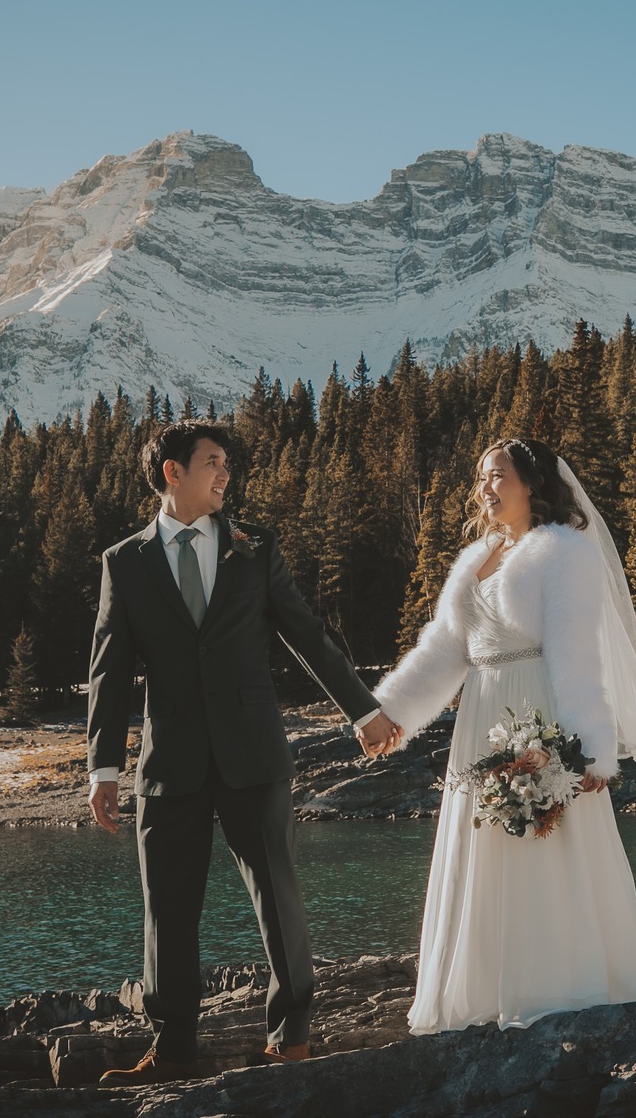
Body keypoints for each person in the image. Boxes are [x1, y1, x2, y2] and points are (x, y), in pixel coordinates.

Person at [84, 420, 400, 1083]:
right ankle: (173, 1052)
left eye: (227, 463)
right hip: (169, 764)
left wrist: (364, 710)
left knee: (278, 899)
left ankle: (292, 1040)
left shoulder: (255, 549)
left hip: (253, 753)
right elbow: (109, 672)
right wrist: (103, 769)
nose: (226, 474)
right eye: (212, 462)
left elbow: (306, 634)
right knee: (167, 910)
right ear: (172, 472)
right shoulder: (124, 562)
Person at [370, 436, 636, 1033]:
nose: (485, 488)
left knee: (547, 845)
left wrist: (591, 749)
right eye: (481, 477)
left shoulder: (565, 552)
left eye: (498, 476)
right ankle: (485, 989)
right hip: (480, 720)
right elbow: (444, 648)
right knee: (485, 845)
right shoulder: (476, 557)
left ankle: (556, 986)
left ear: (533, 484)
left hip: (538, 716)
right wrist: (390, 713)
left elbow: (577, 654)